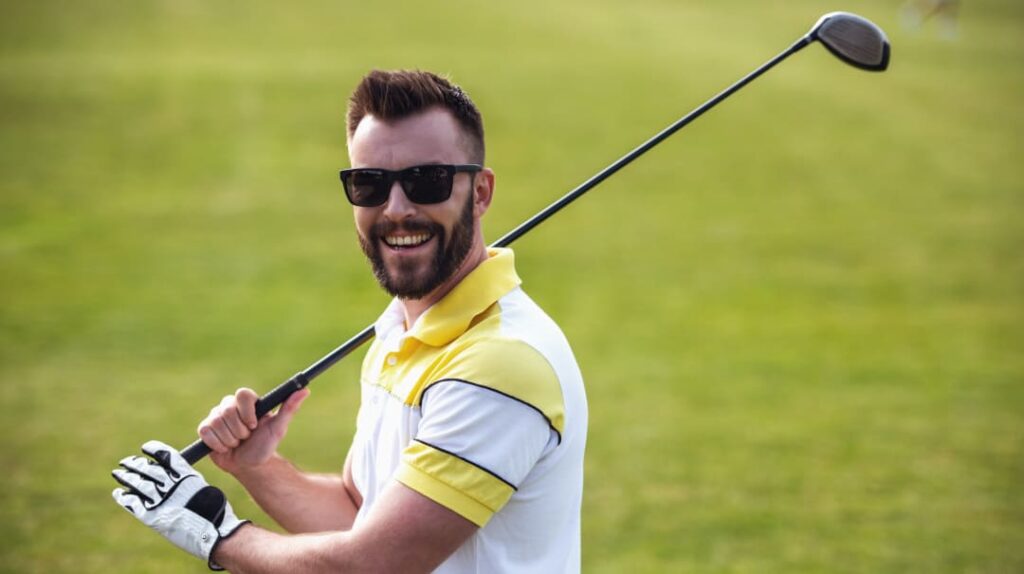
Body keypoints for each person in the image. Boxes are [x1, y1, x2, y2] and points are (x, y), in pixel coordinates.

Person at [111, 69, 588, 573]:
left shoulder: (500, 366)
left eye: (427, 180)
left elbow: (374, 563)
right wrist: (259, 468)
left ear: (481, 192)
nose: (396, 209)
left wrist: (217, 534)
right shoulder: (398, 329)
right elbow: (360, 513)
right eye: (370, 184)